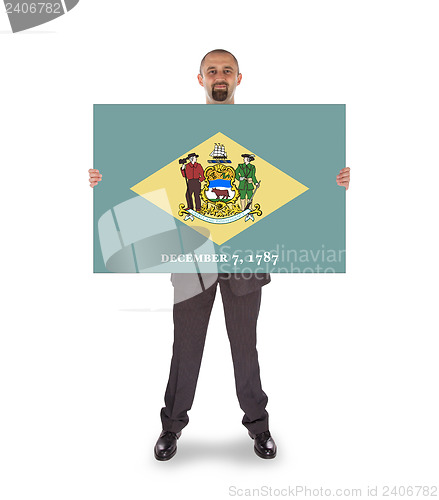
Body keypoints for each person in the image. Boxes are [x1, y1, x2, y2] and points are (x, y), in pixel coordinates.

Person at [89, 49, 351, 461]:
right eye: (212, 70)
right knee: (186, 347)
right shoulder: (174, 133)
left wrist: (332, 179)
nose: (219, 76)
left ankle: (258, 426)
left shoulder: (265, 133)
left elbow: (299, 171)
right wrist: (107, 179)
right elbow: (140, 175)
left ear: (239, 78)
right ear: (200, 80)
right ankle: (171, 427)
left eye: (226, 70)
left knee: (245, 347)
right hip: (192, 261)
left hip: (245, 263)